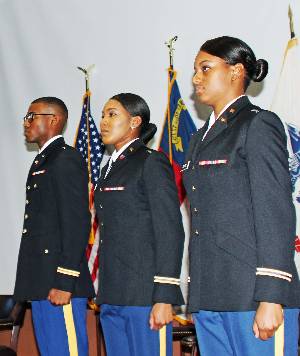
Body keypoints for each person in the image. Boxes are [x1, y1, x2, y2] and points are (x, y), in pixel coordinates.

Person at [183, 36, 300, 356]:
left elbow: (275, 211)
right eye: (195, 70)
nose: (195, 78)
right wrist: (198, 297)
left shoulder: (258, 124)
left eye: (205, 69)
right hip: (211, 294)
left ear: (235, 72)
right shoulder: (197, 141)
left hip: (253, 294)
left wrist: (272, 295)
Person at [95, 93, 185, 356]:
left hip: (144, 295)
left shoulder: (150, 161)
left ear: (135, 121)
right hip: (112, 292)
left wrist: (165, 295)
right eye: (102, 115)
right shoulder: (107, 170)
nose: (103, 121)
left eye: (112, 114)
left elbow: (170, 230)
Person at [14, 97, 95, 356]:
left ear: (53, 120)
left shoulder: (65, 159)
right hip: (42, 280)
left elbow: (77, 221)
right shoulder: (43, 160)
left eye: (32, 116)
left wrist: (65, 280)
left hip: (59, 283)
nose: (26, 123)